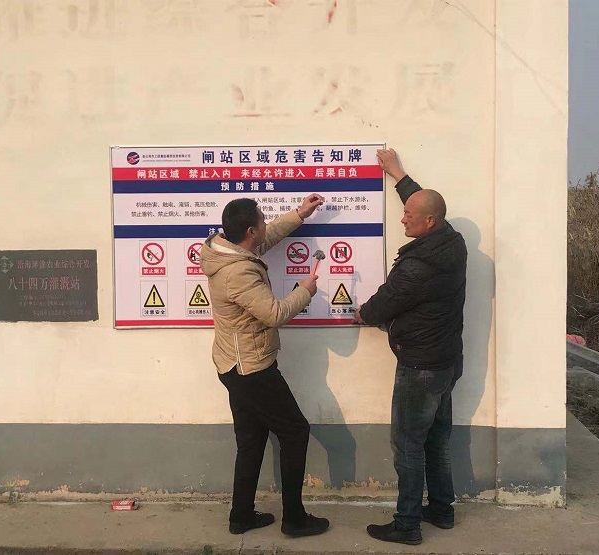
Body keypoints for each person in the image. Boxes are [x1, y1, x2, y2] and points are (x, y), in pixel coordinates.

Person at [353, 148, 467, 545]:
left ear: (428, 222)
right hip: (446, 362)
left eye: (408, 215)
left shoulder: (418, 267)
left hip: (420, 367)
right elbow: (424, 203)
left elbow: (382, 304)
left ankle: (407, 525)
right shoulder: (452, 242)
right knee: (436, 440)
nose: (402, 218)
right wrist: (399, 175)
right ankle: (442, 510)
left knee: (407, 445)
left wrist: (361, 313)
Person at [200, 194, 331, 538]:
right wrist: (305, 291)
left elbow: (268, 236)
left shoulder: (228, 249)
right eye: (261, 220)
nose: (264, 224)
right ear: (249, 232)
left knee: (251, 439)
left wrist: (300, 214)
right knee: (295, 431)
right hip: (252, 368)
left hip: (233, 363)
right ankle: (295, 520)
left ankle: (241, 516)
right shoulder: (238, 272)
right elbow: (274, 314)